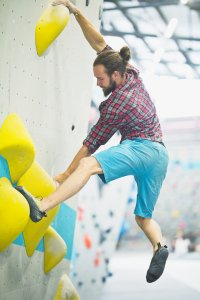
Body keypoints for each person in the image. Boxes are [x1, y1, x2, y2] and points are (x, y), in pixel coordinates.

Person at [15, 0, 169, 283]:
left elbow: (90, 145)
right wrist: (76, 12)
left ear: (114, 75)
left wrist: (66, 173)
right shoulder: (130, 72)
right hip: (161, 156)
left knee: (87, 165)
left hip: (141, 148)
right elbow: (99, 43)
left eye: (99, 79)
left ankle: (42, 206)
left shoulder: (114, 106)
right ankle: (160, 246)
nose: (97, 84)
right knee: (144, 218)